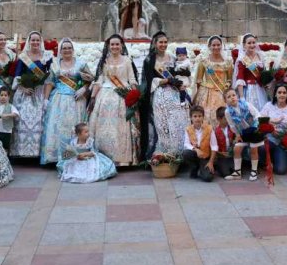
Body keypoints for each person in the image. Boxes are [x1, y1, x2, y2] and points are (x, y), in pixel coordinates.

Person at [88, 34, 140, 165]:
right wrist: (93, 98)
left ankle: (121, 158)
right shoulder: (104, 61)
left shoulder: (127, 60)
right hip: (104, 96)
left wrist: (135, 96)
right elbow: (99, 81)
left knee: (121, 128)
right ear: (108, 46)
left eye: (117, 44)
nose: (115, 46)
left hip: (123, 97)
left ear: (121, 45)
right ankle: (105, 157)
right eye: (112, 44)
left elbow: (132, 79)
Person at [41, 38, 91, 164]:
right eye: (64, 48)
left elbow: (90, 79)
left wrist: (84, 89)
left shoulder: (81, 64)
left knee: (73, 128)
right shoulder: (55, 64)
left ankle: (73, 155)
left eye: (69, 48)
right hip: (58, 99)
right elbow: (50, 82)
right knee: (57, 128)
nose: (67, 50)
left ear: (73, 50)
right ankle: (57, 157)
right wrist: (46, 100)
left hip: (76, 100)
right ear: (60, 50)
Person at [141, 32, 190, 158]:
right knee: (162, 124)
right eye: (160, 42)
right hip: (160, 94)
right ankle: (164, 153)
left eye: (165, 42)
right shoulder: (149, 60)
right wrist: (166, 80)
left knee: (176, 122)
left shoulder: (173, 58)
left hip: (174, 94)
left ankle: (177, 154)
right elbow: (148, 80)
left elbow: (179, 74)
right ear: (155, 44)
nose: (163, 45)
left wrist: (183, 77)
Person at [11, 31, 51, 157]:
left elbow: (49, 76)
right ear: (29, 42)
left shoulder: (46, 57)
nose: (35, 42)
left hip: (39, 92)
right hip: (25, 93)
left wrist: (45, 98)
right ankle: (21, 152)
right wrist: (23, 88)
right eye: (32, 40)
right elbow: (17, 76)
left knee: (39, 122)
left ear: (41, 42)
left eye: (37, 40)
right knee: (22, 122)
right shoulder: (23, 57)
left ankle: (37, 153)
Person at [223, 88, 264, 181]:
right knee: (237, 148)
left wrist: (257, 127)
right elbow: (232, 125)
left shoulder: (246, 104)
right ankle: (237, 173)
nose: (232, 98)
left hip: (254, 130)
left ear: (237, 96)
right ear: (225, 100)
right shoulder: (227, 112)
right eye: (228, 97)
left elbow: (257, 115)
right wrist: (237, 134)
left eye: (233, 95)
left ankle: (254, 171)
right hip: (243, 133)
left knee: (254, 149)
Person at [259, 84, 287, 175]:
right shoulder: (269, 105)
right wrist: (270, 128)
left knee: (281, 170)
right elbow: (260, 121)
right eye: (279, 92)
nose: (282, 95)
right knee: (261, 148)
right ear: (275, 94)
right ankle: (265, 163)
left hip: (283, 143)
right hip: (269, 139)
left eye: (284, 92)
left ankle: (278, 159)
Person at [194, 35, 232, 126]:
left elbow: (230, 79)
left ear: (221, 46)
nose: (216, 47)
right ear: (209, 46)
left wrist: (226, 86)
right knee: (207, 116)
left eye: (218, 45)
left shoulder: (227, 61)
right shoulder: (204, 61)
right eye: (213, 45)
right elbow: (198, 80)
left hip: (222, 92)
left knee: (223, 117)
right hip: (206, 93)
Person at [233, 33, 268, 112]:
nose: (252, 45)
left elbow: (263, 74)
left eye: (253, 42)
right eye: (249, 43)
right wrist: (242, 98)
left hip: (260, 88)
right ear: (244, 45)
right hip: (248, 89)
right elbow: (240, 78)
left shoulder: (260, 56)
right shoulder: (242, 59)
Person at [182, 106, 218, 182]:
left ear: (203, 117)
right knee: (186, 153)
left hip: (205, 157)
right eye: (195, 116)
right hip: (195, 155)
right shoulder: (188, 129)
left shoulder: (209, 129)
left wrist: (211, 162)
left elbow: (214, 146)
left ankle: (203, 169)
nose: (197, 118)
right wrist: (196, 149)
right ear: (191, 118)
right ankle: (194, 168)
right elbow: (186, 144)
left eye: (199, 116)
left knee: (208, 178)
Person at [212, 107, 236, 178]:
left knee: (236, 170)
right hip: (221, 156)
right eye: (226, 119)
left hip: (231, 155)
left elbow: (236, 140)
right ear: (219, 119)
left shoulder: (232, 128)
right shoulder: (215, 131)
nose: (228, 120)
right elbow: (213, 147)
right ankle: (219, 166)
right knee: (226, 173)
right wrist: (220, 153)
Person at [0, 86, 18, 152]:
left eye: (5, 95)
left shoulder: (11, 106)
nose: (3, 97)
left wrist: (7, 115)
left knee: (5, 147)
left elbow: (16, 114)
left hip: (7, 131)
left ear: (9, 97)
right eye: (1, 95)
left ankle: (5, 160)